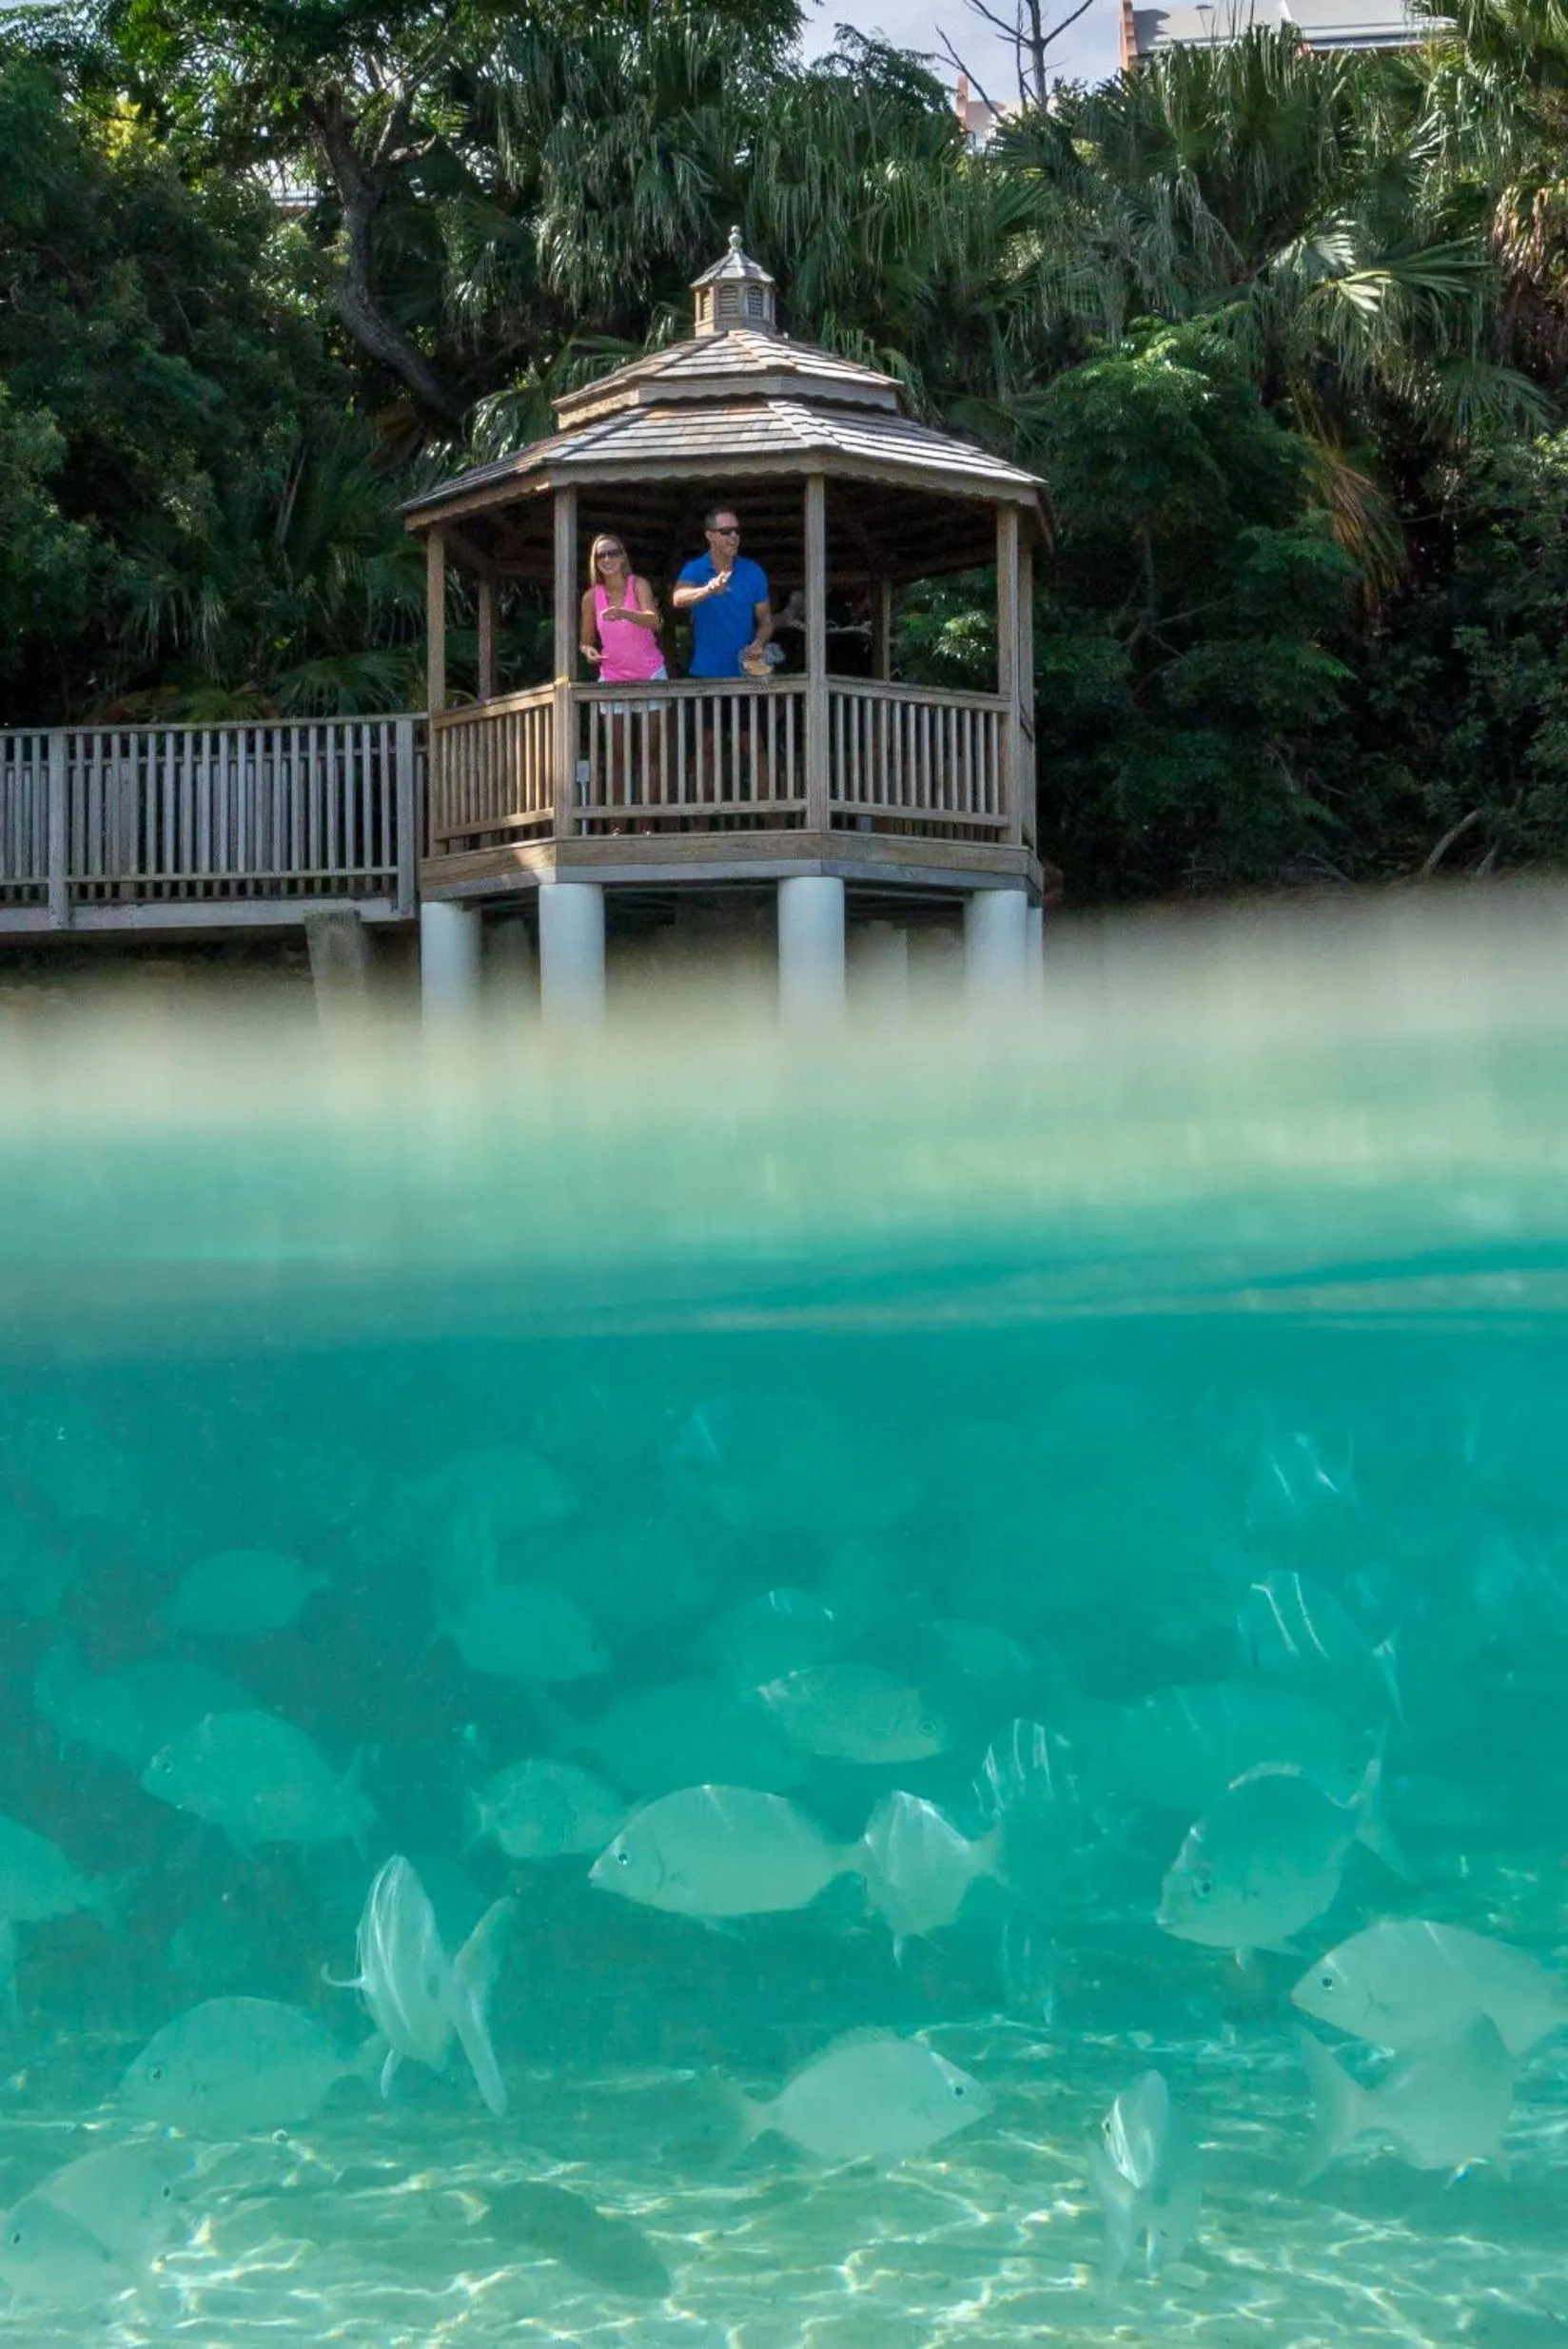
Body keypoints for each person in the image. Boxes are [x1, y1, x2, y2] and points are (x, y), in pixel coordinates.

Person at [579, 534, 665, 823]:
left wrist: (625, 613)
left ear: (623, 556)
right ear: (595, 561)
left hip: (650, 674)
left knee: (649, 753)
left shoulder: (638, 585)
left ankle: (646, 823)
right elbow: (586, 641)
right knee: (617, 755)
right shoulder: (591, 597)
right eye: (601, 555)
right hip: (612, 678)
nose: (608, 559)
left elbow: (654, 621)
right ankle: (617, 824)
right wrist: (590, 653)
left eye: (613, 553)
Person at [673, 508, 772, 678]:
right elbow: (678, 598)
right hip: (705, 676)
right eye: (726, 531)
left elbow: (766, 620)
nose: (734, 536)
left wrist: (759, 643)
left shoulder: (753, 571)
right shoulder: (694, 569)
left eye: (737, 531)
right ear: (710, 536)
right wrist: (708, 590)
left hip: (746, 675)